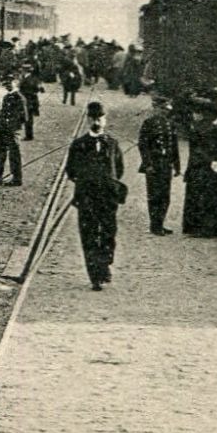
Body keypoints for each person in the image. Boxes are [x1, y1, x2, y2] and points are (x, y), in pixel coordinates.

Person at [66, 102, 125, 290]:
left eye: (100, 118)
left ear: (105, 120)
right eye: (93, 119)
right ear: (87, 120)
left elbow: (119, 169)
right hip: (87, 197)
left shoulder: (113, 144)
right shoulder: (78, 145)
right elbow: (71, 171)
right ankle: (95, 275)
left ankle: (105, 263)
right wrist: (87, 182)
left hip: (108, 197)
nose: (96, 122)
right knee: (89, 234)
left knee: (109, 233)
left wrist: (108, 183)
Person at [181, 99, 217, 236]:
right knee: (210, 197)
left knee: (204, 197)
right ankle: (208, 227)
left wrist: (213, 161)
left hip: (203, 167)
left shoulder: (203, 128)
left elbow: (205, 148)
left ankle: (203, 228)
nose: (194, 115)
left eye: (196, 112)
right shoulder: (208, 127)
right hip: (206, 166)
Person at [137, 93, 182, 235]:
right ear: (156, 108)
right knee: (154, 195)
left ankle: (161, 223)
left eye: (166, 109)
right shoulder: (148, 124)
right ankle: (155, 226)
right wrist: (147, 164)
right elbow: (143, 145)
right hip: (154, 165)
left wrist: (177, 166)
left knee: (165, 196)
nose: (165, 112)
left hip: (166, 164)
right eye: (162, 109)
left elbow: (174, 146)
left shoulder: (170, 124)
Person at [0, 74, 26, 185]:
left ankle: (17, 179)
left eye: (9, 83)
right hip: (4, 130)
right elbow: (3, 113)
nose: (7, 86)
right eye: (5, 84)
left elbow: (23, 117)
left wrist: (12, 127)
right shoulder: (8, 97)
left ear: (15, 83)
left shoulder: (19, 98)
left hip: (12, 131)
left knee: (14, 155)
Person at [19, 65, 43, 141]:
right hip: (32, 101)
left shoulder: (27, 79)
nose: (21, 72)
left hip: (28, 101)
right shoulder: (34, 78)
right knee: (29, 118)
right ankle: (29, 134)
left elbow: (26, 90)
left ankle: (28, 135)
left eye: (22, 70)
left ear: (25, 71)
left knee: (28, 118)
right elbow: (39, 89)